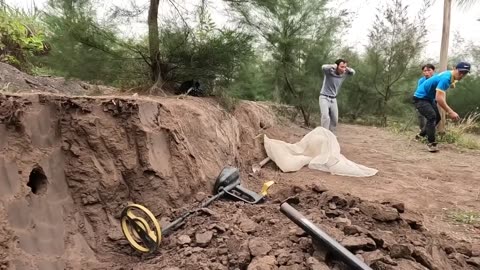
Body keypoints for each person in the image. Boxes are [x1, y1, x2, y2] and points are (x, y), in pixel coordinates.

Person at [413, 61, 471, 152]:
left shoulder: (450, 75)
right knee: (432, 117)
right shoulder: (446, 78)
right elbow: (439, 98)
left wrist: (452, 83)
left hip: (428, 98)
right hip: (420, 98)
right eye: (460, 72)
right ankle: (431, 144)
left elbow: (444, 83)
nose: (462, 75)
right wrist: (450, 111)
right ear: (455, 69)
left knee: (437, 118)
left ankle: (420, 135)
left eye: (465, 73)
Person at [319, 59, 355, 134]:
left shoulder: (344, 74)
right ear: (337, 66)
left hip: (333, 99)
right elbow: (323, 67)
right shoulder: (329, 72)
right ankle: (324, 135)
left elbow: (353, 72)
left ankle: (331, 136)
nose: (343, 69)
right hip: (324, 97)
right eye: (342, 67)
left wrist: (346, 68)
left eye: (345, 67)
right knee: (325, 117)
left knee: (335, 120)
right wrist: (333, 65)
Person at [415, 64, 436, 139]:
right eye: (425, 71)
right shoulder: (421, 80)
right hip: (422, 100)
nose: (426, 72)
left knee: (434, 117)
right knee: (421, 116)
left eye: (429, 70)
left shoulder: (436, 78)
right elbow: (419, 91)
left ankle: (424, 133)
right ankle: (422, 132)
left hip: (432, 100)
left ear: (433, 71)